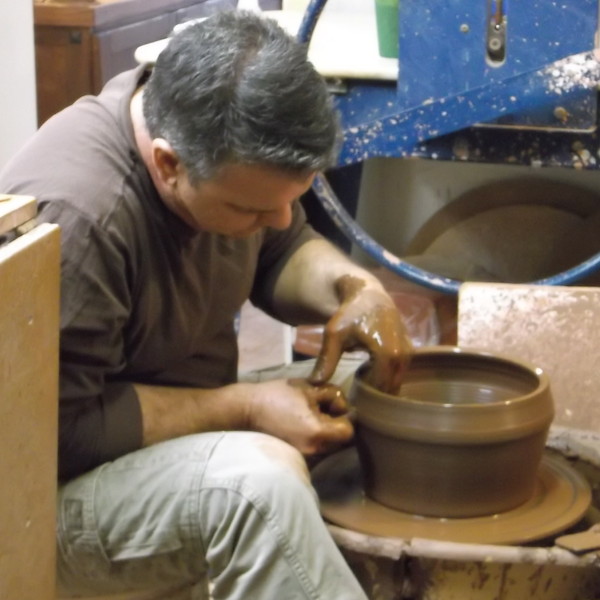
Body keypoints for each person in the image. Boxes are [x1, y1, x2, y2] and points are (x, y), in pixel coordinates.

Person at [0, 10, 412, 599]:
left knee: (377, 387)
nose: (279, 219)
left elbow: (282, 248)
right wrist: (245, 408)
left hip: (153, 433)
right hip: (43, 506)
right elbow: (59, 434)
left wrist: (357, 290)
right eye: (252, 210)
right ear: (168, 164)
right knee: (255, 487)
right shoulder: (81, 221)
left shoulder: (218, 157)